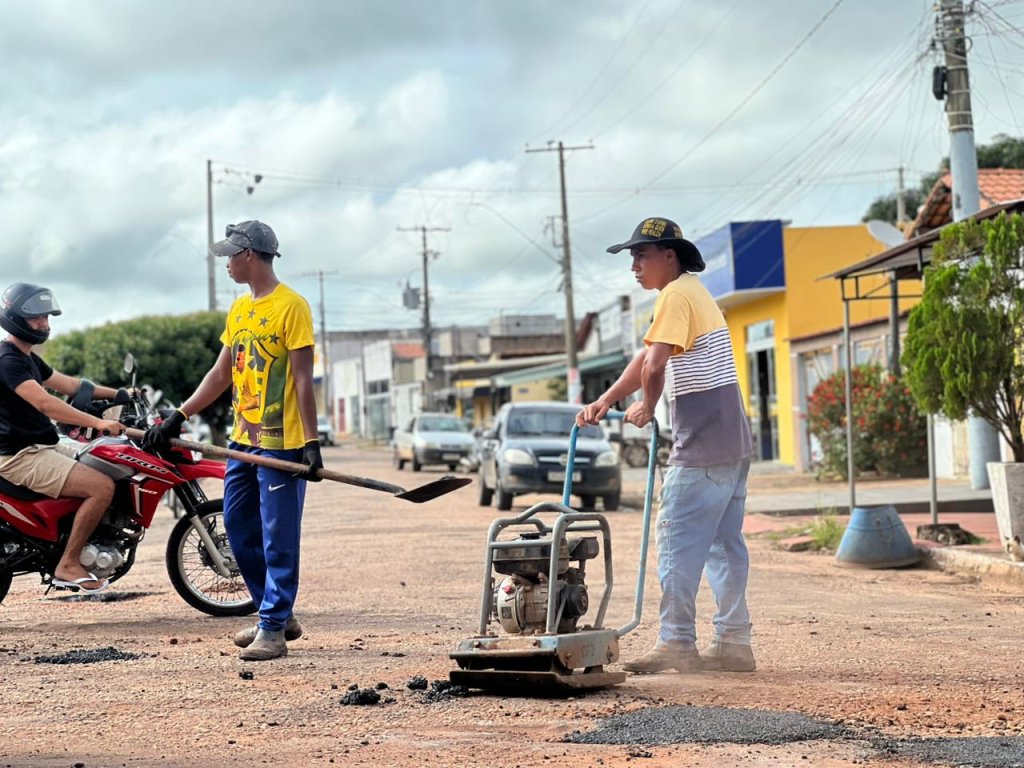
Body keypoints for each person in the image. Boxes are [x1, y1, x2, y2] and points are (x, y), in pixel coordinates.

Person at [576, 217, 755, 674]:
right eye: (632, 257)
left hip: (702, 449)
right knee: (722, 544)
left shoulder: (676, 295)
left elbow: (654, 368)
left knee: (674, 537)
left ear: (669, 256)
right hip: (733, 442)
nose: (634, 266)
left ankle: (676, 641)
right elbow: (646, 356)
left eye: (642, 255)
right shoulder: (690, 293)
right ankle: (734, 642)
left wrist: (645, 408)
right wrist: (606, 399)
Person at [144, 220, 323, 662]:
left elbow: (303, 378)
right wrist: (178, 415)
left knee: (278, 534)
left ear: (249, 255)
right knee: (240, 528)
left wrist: (313, 441)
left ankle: (273, 627)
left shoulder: (292, 306)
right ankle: (274, 611)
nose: (225, 262)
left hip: (282, 443)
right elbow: (221, 373)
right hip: (242, 440)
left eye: (229, 254)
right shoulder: (241, 311)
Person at [0, 283, 129, 594]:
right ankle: (68, 563)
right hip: (20, 455)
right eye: (37, 319)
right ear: (16, 318)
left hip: (42, 446)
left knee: (103, 462)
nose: (44, 324)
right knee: (100, 487)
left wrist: (121, 394)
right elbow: (46, 402)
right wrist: (98, 422)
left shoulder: (27, 357)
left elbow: (69, 385)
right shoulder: (8, 360)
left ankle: (83, 543)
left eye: (46, 318)